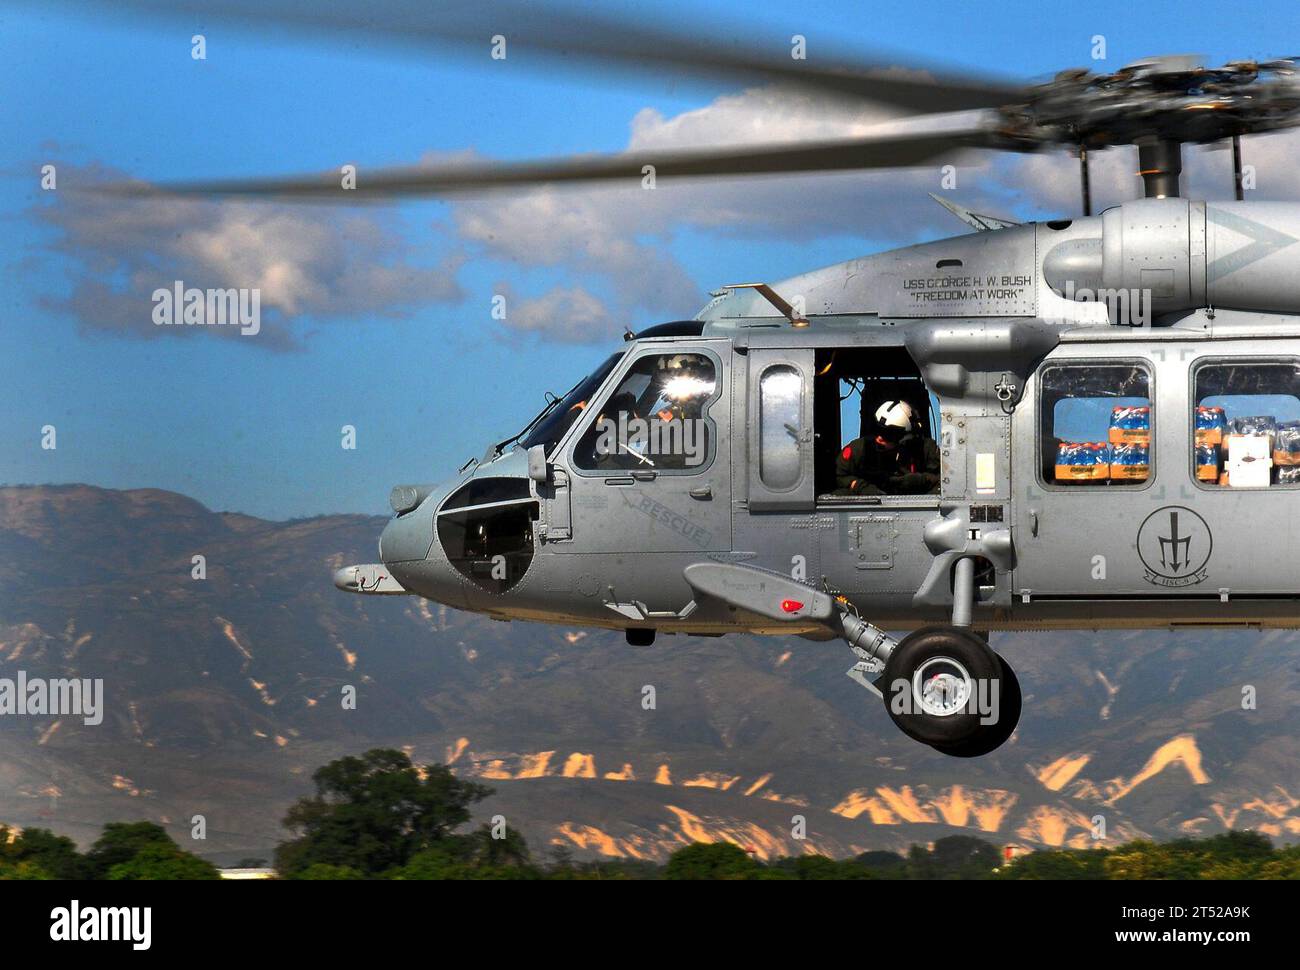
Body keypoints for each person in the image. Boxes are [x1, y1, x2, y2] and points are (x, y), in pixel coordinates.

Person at [835, 400, 940, 495]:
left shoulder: (925, 450)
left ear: (904, 437)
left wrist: (921, 481)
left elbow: (946, 483)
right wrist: (860, 486)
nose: (879, 438)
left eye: (888, 434)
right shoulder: (859, 449)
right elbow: (840, 475)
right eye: (877, 430)